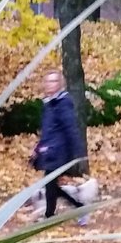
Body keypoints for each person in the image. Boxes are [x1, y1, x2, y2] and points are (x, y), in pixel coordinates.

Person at [32, 69, 86, 219]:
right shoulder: (49, 104)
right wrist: (37, 148)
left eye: (54, 81)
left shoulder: (62, 104)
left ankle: (50, 215)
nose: (50, 84)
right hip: (50, 151)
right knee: (51, 185)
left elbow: (70, 128)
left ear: (60, 84)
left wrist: (78, 152)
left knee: (49, 183)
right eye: (48, 81)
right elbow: (48, 131)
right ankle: (80, 208)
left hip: (60, 152)